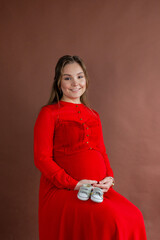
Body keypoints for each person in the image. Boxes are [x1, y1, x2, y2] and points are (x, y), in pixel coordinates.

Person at [33, 55, 147, 240]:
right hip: (64, 190)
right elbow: (41, 158)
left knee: (134, 215)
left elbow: (101, 151)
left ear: (86, 79)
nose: (75, 83)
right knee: (112, 219)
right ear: (58, 82)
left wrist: (109, 178)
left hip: (97, 191)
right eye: (67, 77)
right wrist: (74, 184)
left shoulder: (93, 115)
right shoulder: (49, 113)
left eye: (79, 76)